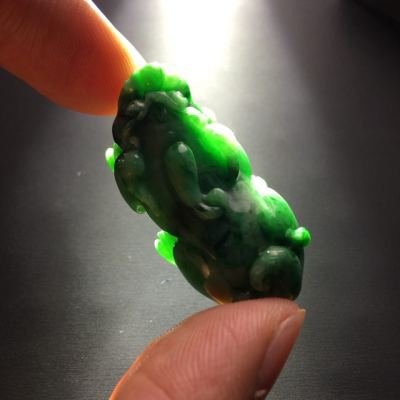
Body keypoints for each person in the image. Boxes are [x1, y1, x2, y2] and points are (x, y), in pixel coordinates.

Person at [0, 1, 305, 399]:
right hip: (200, 241)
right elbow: (142, 197)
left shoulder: (206, 140)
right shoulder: (139, 158)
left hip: (229, 229)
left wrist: (200, 195)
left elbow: (234, 168)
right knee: (182, 247)